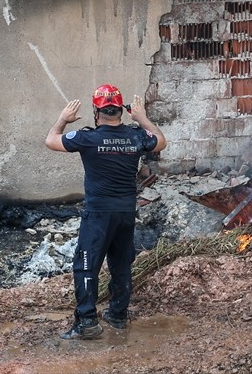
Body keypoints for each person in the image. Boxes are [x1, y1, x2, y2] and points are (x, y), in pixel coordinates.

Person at [45, 83, 167, 340]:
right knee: (121, 265)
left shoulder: (87, 138)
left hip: (99, 213)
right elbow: (161, 142)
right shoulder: (136, 137)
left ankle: (88, 321)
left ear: (96, 112)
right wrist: (143, 118)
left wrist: (62, 120)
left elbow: (51, 141)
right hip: (125, 213)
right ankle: (118, 315)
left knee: (87, 266)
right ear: (121, 111)